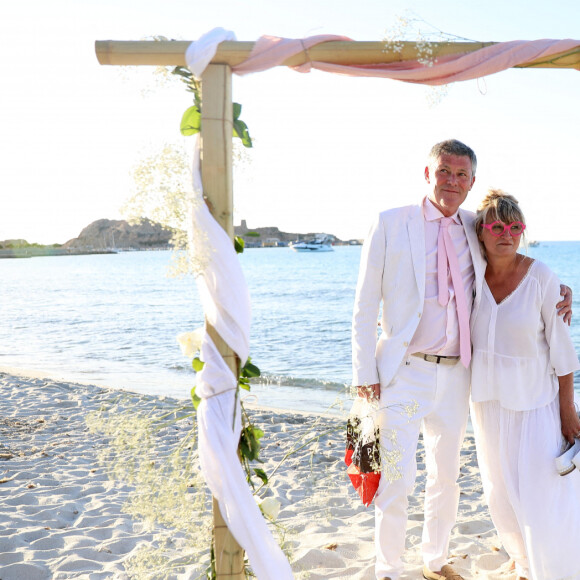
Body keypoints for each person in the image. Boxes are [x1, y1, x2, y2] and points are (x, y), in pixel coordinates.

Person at [351, 139, 572, 580]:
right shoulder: (391, 224)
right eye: (444, 172)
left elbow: (511, 253)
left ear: (471, 182)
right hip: (405, 373)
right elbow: (362, 306)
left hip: (458, 378)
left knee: (446, 476)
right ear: (427, 173)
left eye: (461, 174)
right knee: (397, 477)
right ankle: (388, 569)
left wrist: (561, 291)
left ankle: (434, 559)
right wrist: (364, 375)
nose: (452, 181)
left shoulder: (475, 224)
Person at [470, 190, 580, 580]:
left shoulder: (542, 277)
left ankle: (555, 568)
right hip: (486, 404)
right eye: (497, 226)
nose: (507, 233)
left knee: (542, 494)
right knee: (498, 492)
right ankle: (524, 562)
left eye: (515, 227)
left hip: (536, 404)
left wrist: (568, 409)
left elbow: (562, 351)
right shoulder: (469, 274)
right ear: (480, 231)